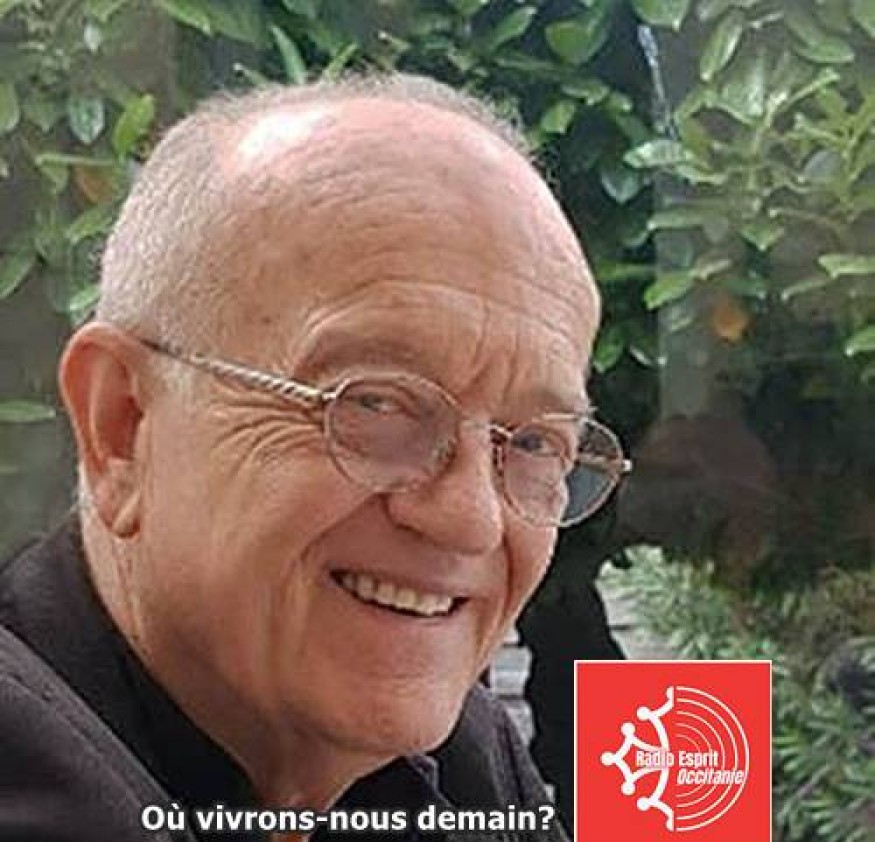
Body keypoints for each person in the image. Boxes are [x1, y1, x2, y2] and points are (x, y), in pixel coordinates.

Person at [0, 74, 628, 841]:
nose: (471, 520)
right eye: (375, 404)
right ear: (122, 426)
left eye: (533, 443)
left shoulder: (460, 760)